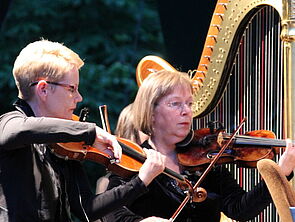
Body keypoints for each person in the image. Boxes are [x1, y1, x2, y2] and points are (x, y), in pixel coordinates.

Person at [0, 39, 170, 222]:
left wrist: (140, 181)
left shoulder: (66, 145)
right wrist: (89, 132)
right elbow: (15, 132)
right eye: (72, 89)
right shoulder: (10, 122)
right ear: (43, 89)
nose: (79, 98)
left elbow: (87, 209)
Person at [102, 70, 295, 221]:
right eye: (175, 104)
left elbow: (240, 209)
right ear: (151, 113)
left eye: (189, 103)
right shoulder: (132, 160)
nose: (186, 111)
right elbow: (109, 211)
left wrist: (280, 173)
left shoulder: (204, 159)